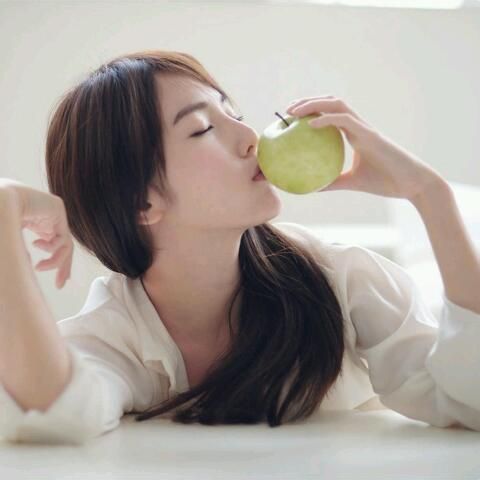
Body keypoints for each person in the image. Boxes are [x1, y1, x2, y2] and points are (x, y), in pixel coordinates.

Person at [1, 50, 479, 446]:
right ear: (141, 202)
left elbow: (467, 399)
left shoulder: (340, 277)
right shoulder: (119, 334)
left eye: (235, 115)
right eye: (202, 129)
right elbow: (54, 413)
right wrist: (6, 210)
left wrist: (429, 195)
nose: (251, 138)